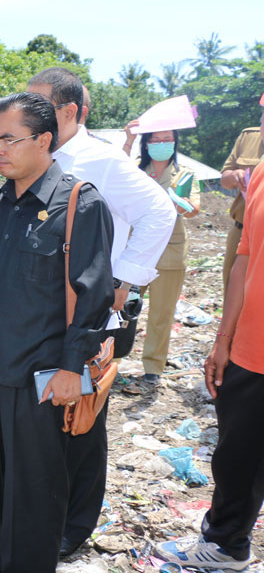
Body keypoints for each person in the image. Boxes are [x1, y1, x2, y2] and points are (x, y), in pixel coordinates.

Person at [0, 91, 115, 573]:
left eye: (10, 139)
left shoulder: (78, 204)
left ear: (44, 139)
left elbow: (93, 296)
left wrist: (72, 368)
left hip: (39, 373)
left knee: (34, 482)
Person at [26, 67, 175, 557]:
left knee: (81, 423)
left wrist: (124, 279)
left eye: (38, 105)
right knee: (45, 417)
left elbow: (159, 211)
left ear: (68, 111)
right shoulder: (37, 156)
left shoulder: (101, 161)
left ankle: (74, 526)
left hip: (87, 317)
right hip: (40, 313)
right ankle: (40, 510)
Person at [155, 164, 264, 571]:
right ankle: (226, 544)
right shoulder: (261, 176)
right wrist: (224, 340)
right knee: (237, 456)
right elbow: (244, 261)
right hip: (252, 350)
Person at [121, 126, 200, 390]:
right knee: (122, 307)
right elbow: (114, 176)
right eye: (155, 139)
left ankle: (153, 367)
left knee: (161, 314)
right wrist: (129, 139)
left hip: (170, 252)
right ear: (146, 143)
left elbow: (193, 209)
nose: (161, 143)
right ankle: (113, 357)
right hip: (136, 249)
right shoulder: (134, 169)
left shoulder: (186, 174)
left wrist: (179, 202)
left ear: (175, 142)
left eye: (166, 139)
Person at [218, 107, 263, 292]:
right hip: (242, 230)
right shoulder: (248, 137)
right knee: (233, 290)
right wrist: (234, 176)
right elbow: (224, 178)